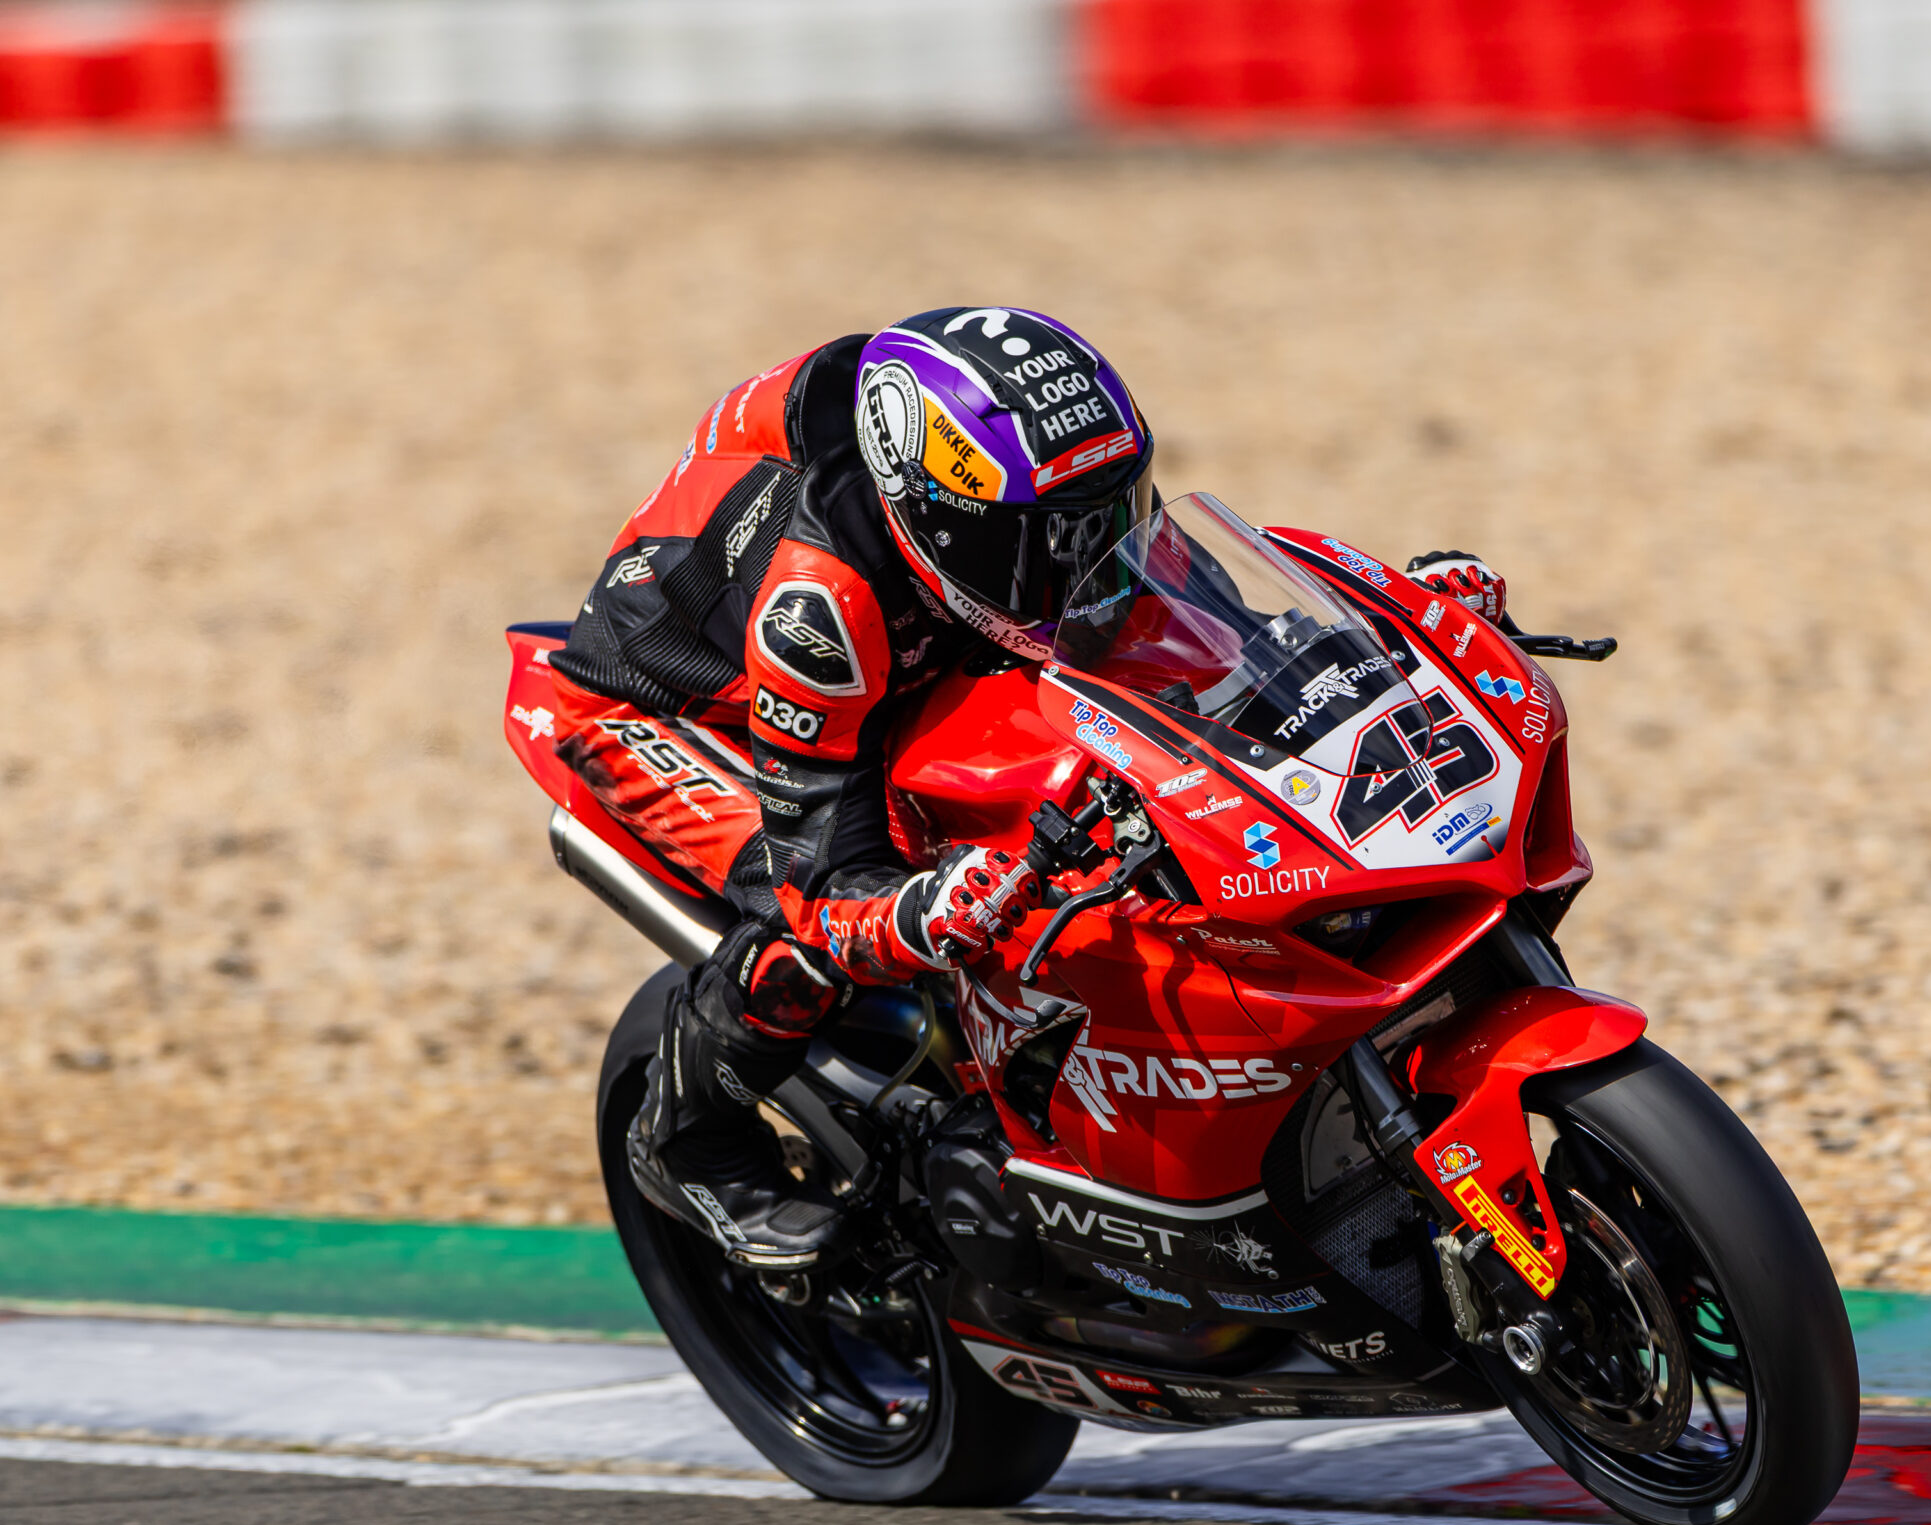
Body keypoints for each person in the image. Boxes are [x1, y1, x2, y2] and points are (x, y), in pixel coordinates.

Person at [547, 306, 1505, 1269]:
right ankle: (688, 1142)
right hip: (668, 706)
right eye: (1045, 541)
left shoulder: (1019, 505)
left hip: (897, 653)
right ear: (937, 524)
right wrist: (914, 911)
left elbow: (1225, 646)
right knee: (805, 937)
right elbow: (821, 886)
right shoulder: (818, 607)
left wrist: (1398, 629)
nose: (1083, 561)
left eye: (1109, 514)